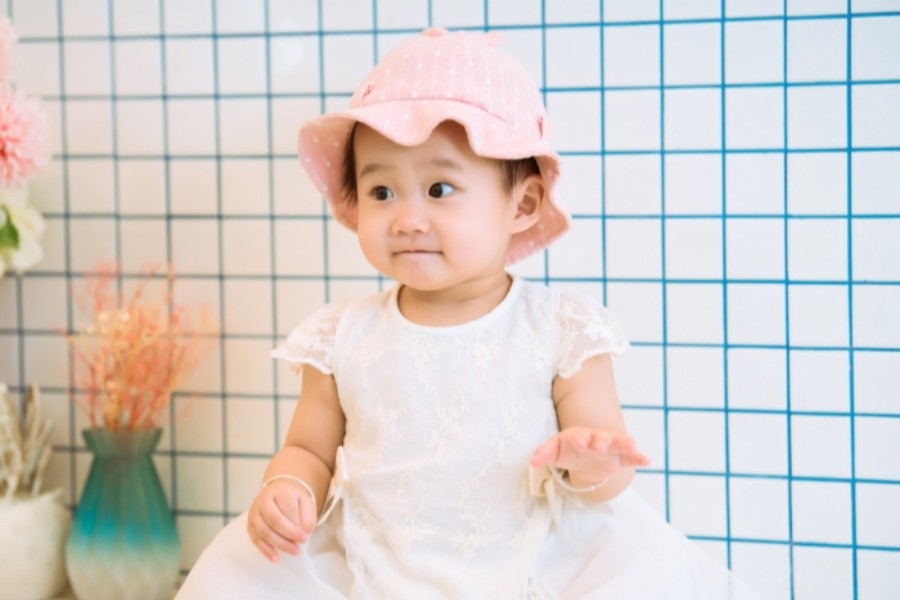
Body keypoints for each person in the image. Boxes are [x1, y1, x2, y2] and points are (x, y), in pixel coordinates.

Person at [176, 28, 759, 599]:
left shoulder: (559, 330)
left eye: (439, 189)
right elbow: (308, 449)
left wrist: (589, 461)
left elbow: (610, 473)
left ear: (522, 204)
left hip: (538, 567)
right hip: (372, 568)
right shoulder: (341, 337)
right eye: (381, 193)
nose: (407, 219)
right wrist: (288, 487)